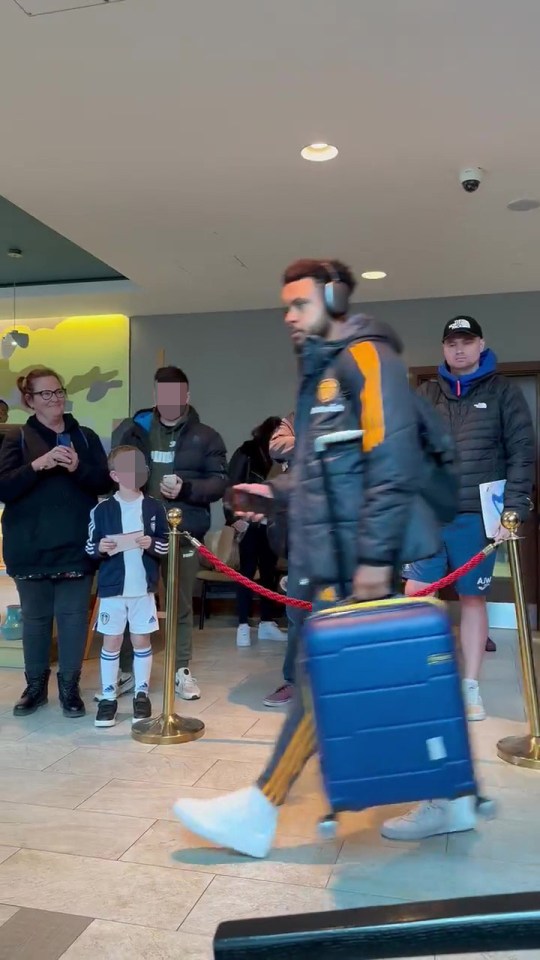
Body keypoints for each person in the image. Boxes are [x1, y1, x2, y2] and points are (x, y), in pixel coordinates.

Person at [173, 257, 445, 858]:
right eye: (286, 307)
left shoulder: (365, 356)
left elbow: (393, 456)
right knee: (372, 678)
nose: (290, 316)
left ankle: (261, 807)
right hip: (340, 546)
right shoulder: (323, 374)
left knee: (331, 676)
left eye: (300, 304)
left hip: (364, 552)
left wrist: (375, 558)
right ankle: (447, 796)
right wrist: (274, 494)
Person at [402, 316, 535, 725]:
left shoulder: (503, 393)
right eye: (451, 343)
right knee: (416, 594)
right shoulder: (425, 393)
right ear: (443, 348)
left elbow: (522, 453)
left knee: (473, 598)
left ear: (481, 344)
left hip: (476, 518)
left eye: (467, 341)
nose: (458, 349)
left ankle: (469, 684)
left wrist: (513, 510)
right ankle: (425, 682)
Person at [0, 367, 110, 718]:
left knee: (74, 617)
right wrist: (38, 465)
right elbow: (4, 488)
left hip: (76, 543)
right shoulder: (16, 438)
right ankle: (34, 688)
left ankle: (69, 688)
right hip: (29, 544)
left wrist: (78, 466)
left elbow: (103, 483)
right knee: (35, 619)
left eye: (58, 391)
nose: (55, 398)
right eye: (45, 394)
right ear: (29, 401)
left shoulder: (86, 436)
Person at [115, 365, 227, 700]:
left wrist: (186, 487)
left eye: (176, 394)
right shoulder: (135, 430)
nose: (169, 401)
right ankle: (126, 671)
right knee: (131, 601)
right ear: (155, 396)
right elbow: (115, 469)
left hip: (184, 532)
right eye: (163, 394)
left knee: (179, 604)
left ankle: (181, 670)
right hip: (137, 531)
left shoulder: (206, 436)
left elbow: (220, 483)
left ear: (187, 396)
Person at [86, 445, 168, 728]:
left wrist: (152, 544)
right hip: (112, 590)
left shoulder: (155, 507)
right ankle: (108, 696)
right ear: (114, 474)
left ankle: (141, 693)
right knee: (111, 642)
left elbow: (165, 543)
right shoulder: (102, 509)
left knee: (142, 641)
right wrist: (100, 547)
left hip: (143, 589)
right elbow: (90, 546)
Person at [226, 416, 285, 647]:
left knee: (269, 572)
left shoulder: (280, 457)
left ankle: (267, 622)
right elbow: (231, 485)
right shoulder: (247, 452)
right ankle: (242, 625)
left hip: (270, 523)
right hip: (248, 522)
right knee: (247, 573)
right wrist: (233, 519)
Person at [263, 412, 302, 707]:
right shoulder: (297, 414)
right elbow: (277, 446)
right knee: (298, 613)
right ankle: (294, 681)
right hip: (304, 531)